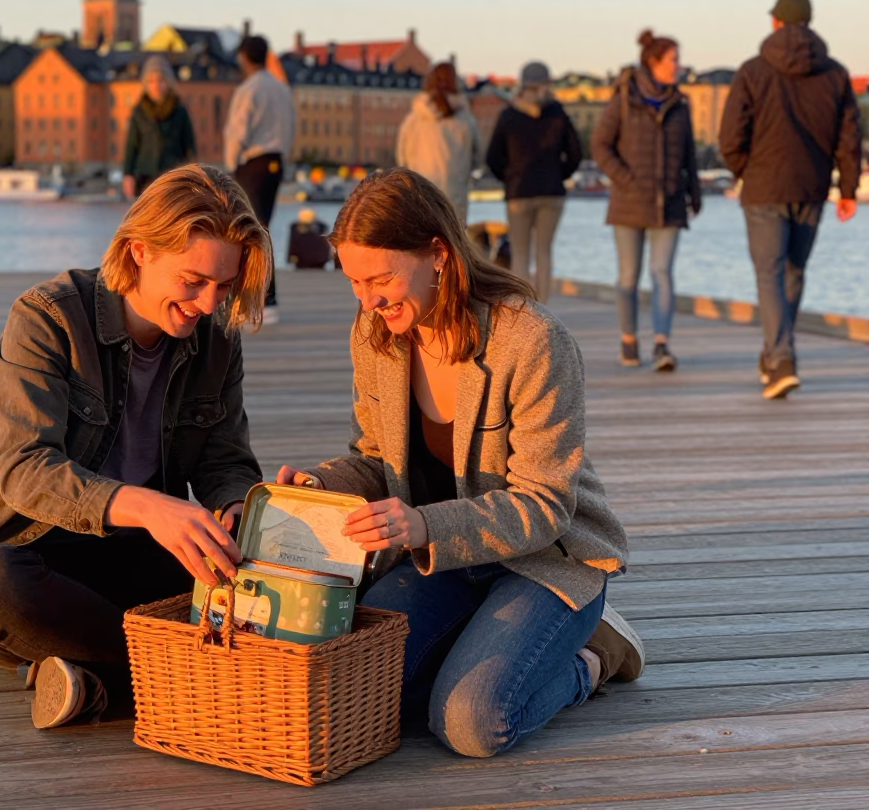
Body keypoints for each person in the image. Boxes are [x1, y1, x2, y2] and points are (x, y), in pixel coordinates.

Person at [276, 167, 644, 759]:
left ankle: (596, 655)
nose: (367, 301)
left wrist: (423, 525)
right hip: (440, 562)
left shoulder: (532, 340)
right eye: (353, 282)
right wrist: (320, 485)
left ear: (438, 256)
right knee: (357, 693)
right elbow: (373, 458)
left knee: (472, 724)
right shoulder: (375, 333)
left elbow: (546, 504)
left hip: (543, 561)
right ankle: (479, 643)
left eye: (381, 279)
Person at [0, 165, 271, 730]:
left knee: (267, 574)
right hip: (41, 553)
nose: (208, 303)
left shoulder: (217, 339)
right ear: (138, 251)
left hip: (139, 557)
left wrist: (237, 511)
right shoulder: (47, 317)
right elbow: (24, 469)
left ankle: (90, 678)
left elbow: (224, 460)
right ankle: (189, 675)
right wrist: (147, 507)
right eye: (193, 280)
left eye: (223, 286)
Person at [719, 0, 862, 400]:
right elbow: (849, 136)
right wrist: (847, 189)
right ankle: (775, 355)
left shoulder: (753, 70)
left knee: (770, 272)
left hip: (763, 186)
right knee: (794, 272)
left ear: (776, 22)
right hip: (811, 186)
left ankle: (781, 359)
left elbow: (730, 135)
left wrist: (743, 170)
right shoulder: (835, 73)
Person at [591, 30, 700, 372]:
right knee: (628, 277)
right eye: (673, 60)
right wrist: (625, 180)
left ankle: (662, 345)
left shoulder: (680, 104)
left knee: (662, 273)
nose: (679, 66)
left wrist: (694, 194)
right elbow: (600, 146)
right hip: (628, 203)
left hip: (669, 203)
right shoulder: (625, 98)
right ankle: (628, 340)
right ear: (654, 63)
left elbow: (689, 154)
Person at [486, 61, 582, 302]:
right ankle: (544, 308)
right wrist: (559, 175)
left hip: (519, 191)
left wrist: (509, 178)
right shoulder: (557, 112)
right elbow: (575, 153)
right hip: (552, 192)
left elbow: (493, 157)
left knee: (520, 254)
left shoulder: (509, 115)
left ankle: (525, 309)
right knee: (544, 253)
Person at [224, 34, 295, 326]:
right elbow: (290, 128)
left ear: (243, 57)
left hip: (252, 163)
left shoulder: (249, 90)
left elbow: (237, 130)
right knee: (261, 227)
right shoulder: (282, 90)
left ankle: (262, 299)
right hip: (275, 163)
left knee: (250, 231)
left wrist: (231, 166)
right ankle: (264, 298)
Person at [396, 61, 482, 227]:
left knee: (421, 239)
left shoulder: (413, 120)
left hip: (420, 195)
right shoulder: (465, 120)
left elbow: (402, 158)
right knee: (453, 240)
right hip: (455, 198)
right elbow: (477, 158)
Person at [121, 55, 196, 201]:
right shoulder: (139, 112)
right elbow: (131, 146)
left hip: (173, 176)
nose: (156, 86)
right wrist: (128, 175)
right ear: (145, 84)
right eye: (151, 81)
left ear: (168, 82)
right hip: (145, 177)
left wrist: (192, 174)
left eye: (161, 80)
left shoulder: (179, 111)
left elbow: (189, 146)